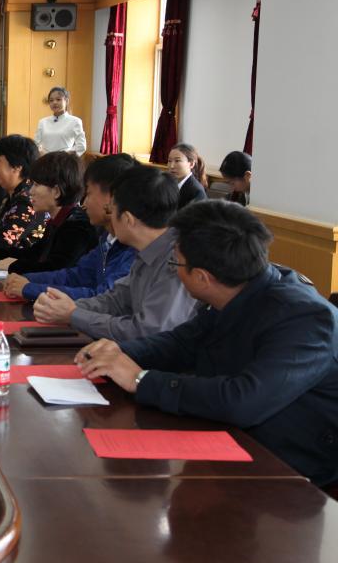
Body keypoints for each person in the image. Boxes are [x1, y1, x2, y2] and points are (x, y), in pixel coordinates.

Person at [76, 200, 338, 488]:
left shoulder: (306, 319)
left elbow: (244, 400)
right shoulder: (237, 286)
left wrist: (140, 380)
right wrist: (116, 353)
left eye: (175, 263)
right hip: (229, 441)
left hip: (290, 474)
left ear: (202, 277)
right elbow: (181, 343)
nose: (175, 271)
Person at [33, 165, 201, 339]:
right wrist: (71, 308)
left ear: (127, 219)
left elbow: (148, 331)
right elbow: (117, 300)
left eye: (111, 211)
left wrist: (74, 314)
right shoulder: (147, 250)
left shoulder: (178, 259)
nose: (110, 219)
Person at [3, 153, 138, 301]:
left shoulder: (134, 248)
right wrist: (28, 280)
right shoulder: (108, 239)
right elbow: (76, 275)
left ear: (111, 198)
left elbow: (104, 298)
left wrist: (30, 288)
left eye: (89, 194)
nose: (84, 204)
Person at [0, 151, 97, 272]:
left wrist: (14, 265)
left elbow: (56, 269)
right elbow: (33, 253)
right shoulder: (58, 219)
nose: (30, 191)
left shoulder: (76, 226)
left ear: (56, 191)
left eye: (36, 185)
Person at [35, 86, 86, 155]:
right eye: (51, 100)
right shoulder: (42, 122)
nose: (54, 102)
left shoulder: (75, 121)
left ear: (66, 101)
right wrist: (43, 154)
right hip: (45, 159)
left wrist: (63, 156)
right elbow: (35, 144)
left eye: (58, 99)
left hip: (65, 159)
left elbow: (81, 146)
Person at [166, 142, 208, 209]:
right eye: (169, 161)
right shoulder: (168, 184)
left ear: (191, 164)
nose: (171, 166)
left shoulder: (196, 191)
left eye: (177, 161)